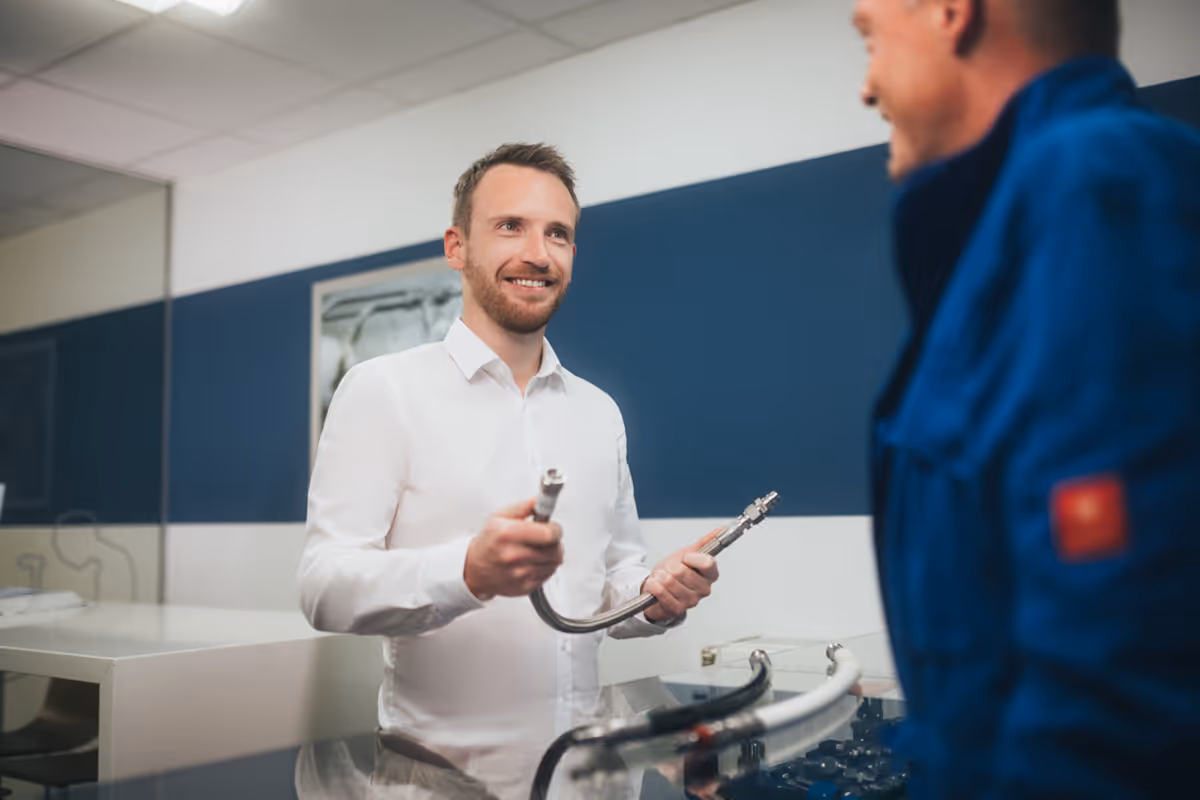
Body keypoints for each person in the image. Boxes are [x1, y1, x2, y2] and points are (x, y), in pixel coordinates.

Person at [852, 0, 1200, 796]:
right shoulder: (1005, 233)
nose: (867, 87)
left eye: (870, 40)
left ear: (951, 14)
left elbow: (1122, 666)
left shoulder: (1101, 179)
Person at [298, 143, 720, 797]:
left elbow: (612, 584)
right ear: (457, 247)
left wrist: (655, 595)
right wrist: (467, 571)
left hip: (587, 779)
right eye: (510, 226)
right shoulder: (384, 391)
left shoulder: (599, 412)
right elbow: (323, 587)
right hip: (439, 779)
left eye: (558, 234)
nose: (538, 253)